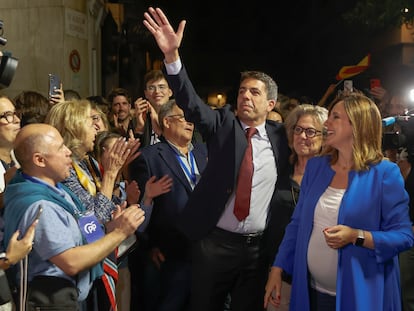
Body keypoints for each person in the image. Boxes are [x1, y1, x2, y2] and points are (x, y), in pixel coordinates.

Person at [143, 7, 290, 311]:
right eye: (242, 91)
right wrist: (172, 58)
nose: (245, 96)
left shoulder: (282, 137)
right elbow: (191, 103)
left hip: (257, 250)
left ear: (271, 103)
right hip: (214, 245)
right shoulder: (223, 125)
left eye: (254, 93)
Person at [264, 94, 414, 311]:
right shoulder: (316, 167)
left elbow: (404, 236)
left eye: (335, 117)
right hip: (311, 294)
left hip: (361, 297)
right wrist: (277, 269)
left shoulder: (384, 173)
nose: (326, 123)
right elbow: (296, 225)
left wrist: (357, 236)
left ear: (357, 125)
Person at [2, 123, 145, 310]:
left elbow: (86, 226)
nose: (68, 152)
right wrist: (119, 233)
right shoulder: (40, 205)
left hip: (72, 295)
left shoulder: (57, 189)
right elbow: (70, 262)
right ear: (39, 160)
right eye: (60, 148)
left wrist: (109, 228)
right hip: (53, 302)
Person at [45, 99, 141, 311]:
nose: (98, 127)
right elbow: (92, 219)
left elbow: (103, 210)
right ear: (75, 127)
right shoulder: (64, 170)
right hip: (74, 275)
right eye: (91, 121)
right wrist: (111, 175)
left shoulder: (84, 162)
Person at [129, 99, 207, 311]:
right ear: (166, 122)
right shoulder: (148, 157)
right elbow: (139, 206)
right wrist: (148, 247)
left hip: (205, 254)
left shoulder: (204, 153)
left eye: (191, 118)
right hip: (168, 256)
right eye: (183, 117)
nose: (189, 122)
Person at [266, 104, 328, 311]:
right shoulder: (279, 169)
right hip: (280, 269)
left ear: (325, 137)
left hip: (319, 274)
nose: (303, 136)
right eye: (298, 129)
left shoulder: (333, 176)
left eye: (311, 131)